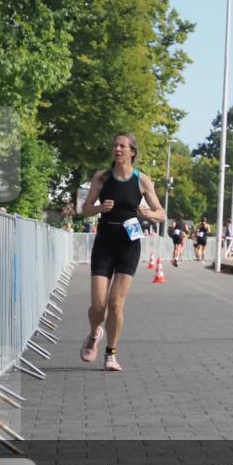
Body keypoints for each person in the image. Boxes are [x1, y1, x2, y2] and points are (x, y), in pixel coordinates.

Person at [80, 133, 165, 372]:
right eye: (114, 145)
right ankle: (94, 332)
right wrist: (98, 207)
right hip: (105, 242)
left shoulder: (142, 180)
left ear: (132, 152)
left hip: (129, 244)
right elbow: (85, 209)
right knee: (98, 306)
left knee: (116, 304)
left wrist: (148, 213)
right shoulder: (102, 177)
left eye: (122, 146)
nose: (117, 149)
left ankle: (111, 353)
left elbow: (161, 213)